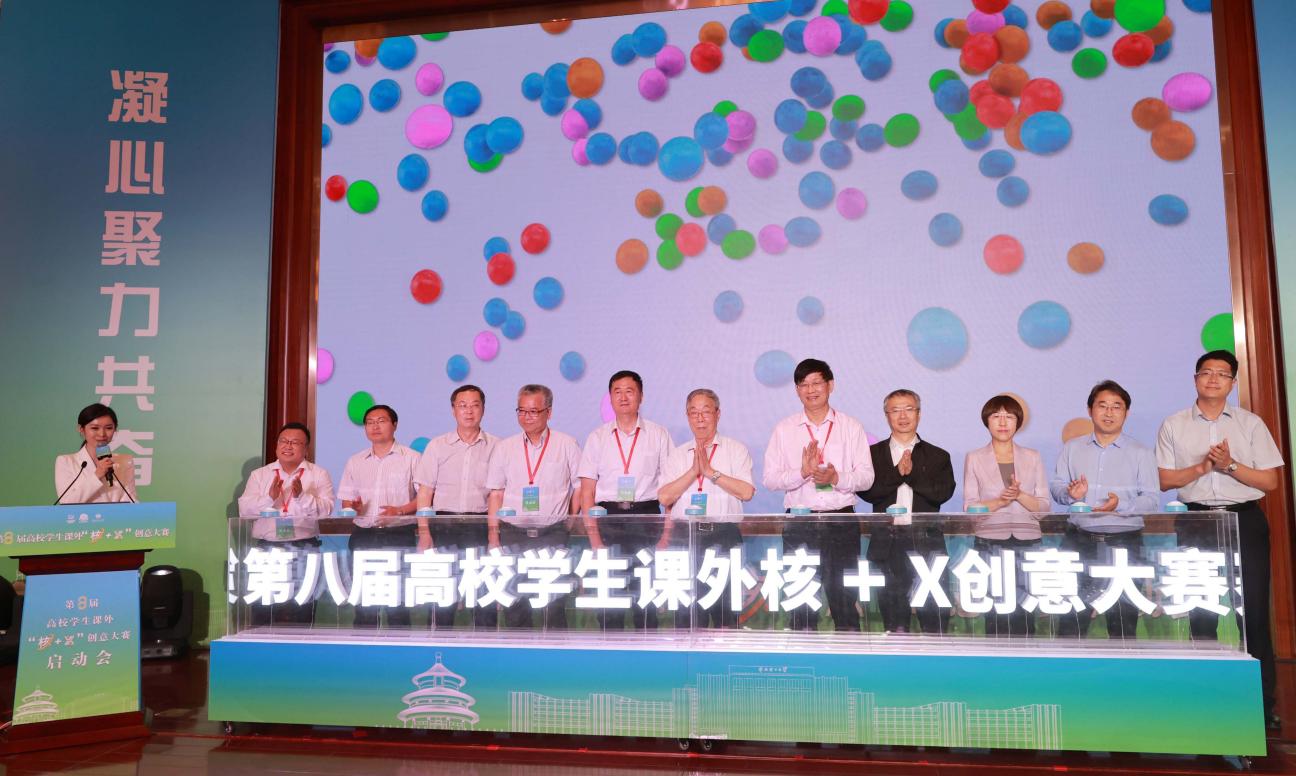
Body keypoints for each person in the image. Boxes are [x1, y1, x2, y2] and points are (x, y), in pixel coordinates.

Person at [1156, 350, 1283, 726]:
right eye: (1206, 372)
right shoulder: (1174, 424)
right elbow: (1164, 480)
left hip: (1245, 519)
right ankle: (1206, 699)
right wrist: (1202, 467)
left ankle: (1263, 704)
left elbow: (1270, 481)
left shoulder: (1250, 423)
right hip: (1197, 521)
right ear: (1195, 378)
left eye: (1222, 374)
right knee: (1201, 612)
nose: (1213, 379)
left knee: (1253, 613)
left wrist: (1229, 465)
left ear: (1233, 383)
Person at [762, 359, 874, 632]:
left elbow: (867, 477)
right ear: (797, 390)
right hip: (800, 522)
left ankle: (849, 652)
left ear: (830, 385)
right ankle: (802, 653)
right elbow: (770, 479)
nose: (810, 390)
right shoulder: (784, 429)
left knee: (844, 600)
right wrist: (802, 472)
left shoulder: (851, 426)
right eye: (803, 385)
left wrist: (836, 479)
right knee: (801, 602)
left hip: (841, 521)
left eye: (816, 383)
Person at [1050, 381, 1158, 640]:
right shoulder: (1072, 448)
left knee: (1123, 623)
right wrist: (1071, 494)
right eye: (1102, 406)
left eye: (1116, 407)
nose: (1109, 412)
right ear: (1090, 410)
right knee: (1071, 622)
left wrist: (1120, 506)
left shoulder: (1141, 452)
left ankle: (1123, 666)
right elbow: (1056, 487)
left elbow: (1152, 500)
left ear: (1126, 413)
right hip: (1080, 541)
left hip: (1125, 544)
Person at [579, 370, 672, 631]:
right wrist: (594, 540)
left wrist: (665, 536)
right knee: (610, 600)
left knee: (646, 597)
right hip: (608, 519)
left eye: (629, 391)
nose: (623, 397)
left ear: (641, 396)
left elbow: (670, 489)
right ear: (609, 398)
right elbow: (587, 492)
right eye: (617, 392)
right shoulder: (597, 437)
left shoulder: (659, 434)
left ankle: (648, 650)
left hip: (646, 517)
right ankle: (610, 651)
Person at [858, 389, 956, 635]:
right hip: (888, 542)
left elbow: (942, 493)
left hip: (926, 541)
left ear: (919, 414)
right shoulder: (871, 454)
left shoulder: (938, 455)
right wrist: (897, 473)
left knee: (934, 617)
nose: (902, 416)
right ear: (887, 416)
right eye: (895, 410)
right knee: (894, 621)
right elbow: (867, 491)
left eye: (909, 409)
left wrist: (911, 475)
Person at [486, 384, 582, 630]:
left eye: (533, 411)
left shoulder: (566, 444)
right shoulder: (505, 447)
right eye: (521, 410)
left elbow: (579, 487)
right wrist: (494, 537)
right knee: (516, 602)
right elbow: (496, 493)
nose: (526, 417)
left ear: (548, 412)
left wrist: (570, 521)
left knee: (554, 602)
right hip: (513, 533)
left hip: (552, 533)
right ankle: (519, 652)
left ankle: (557, 651)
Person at [658, 388, 755, 629]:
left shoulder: (736, 450)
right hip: (686, 537)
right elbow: (664, 497)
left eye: (706, 412)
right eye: (694, 413)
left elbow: (746, 492)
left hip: (723, 535)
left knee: (725, 614)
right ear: (687, 416)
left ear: (718, 414)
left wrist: (711, 472)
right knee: (687, 615)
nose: (700, 418)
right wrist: (693, 471)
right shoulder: (677, 455)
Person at [963, 394, 1051, 637]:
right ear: (987, 421)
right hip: (990, 541)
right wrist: (999, 502)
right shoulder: (974, 458)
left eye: (1009, 416)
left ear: (1018, 422)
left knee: (1026, 611)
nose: (1003, 422)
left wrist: (1019, 495)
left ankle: (1027, 659)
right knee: (994, 611)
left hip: (1028, 541)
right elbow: (970, 509)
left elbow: (1044, 508)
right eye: (996, 416)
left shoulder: (1033, 457)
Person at [414, 385, 497, 629]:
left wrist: (493, 535)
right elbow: (425, 492)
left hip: (479, 525)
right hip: (444, 524)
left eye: (475, 405)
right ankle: (439, 643)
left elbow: (497, 493)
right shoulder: (437, 446)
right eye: (462, 405)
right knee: (443, 595)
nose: (469, 411)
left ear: (483, 409)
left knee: (483, 593)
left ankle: (485, 644)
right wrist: (424, 533)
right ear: (453, 410)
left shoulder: (497, 446)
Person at [236, 422, 334, 626]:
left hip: (304, 547)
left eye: (295, 442)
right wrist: (269, 499)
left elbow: (327, 510)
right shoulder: (260, 475)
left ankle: (301, 645)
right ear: (277, 446)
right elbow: (244, 510)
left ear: (306, 449)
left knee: (302, 608)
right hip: (267, 548)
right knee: (263, 608)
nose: (288, 446)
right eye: (284, 441)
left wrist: (301, 497)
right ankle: (261, 644)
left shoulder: (318, 474)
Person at [337, 404, 419, 629]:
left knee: (398, 604)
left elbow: (424, 498)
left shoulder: (412, 458)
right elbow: (346, 501)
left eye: (381, 421)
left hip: (398, 535)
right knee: (364, 603)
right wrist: (353, 507)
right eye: (370, 422)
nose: (375, 426)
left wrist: (400, 510)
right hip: (364, 535)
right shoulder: (355, 461)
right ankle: (364, 648)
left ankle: (399, 649)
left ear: (395, 425)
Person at [54, 403, 138, 504]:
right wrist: (97, 474)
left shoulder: (125, 461)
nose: (102, 434)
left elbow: (130, 501)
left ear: (115, 429)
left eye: (109, 428)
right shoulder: (66, 462)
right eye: (95, 428)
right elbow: (67, 501)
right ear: (81, 429)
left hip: (116, 515)